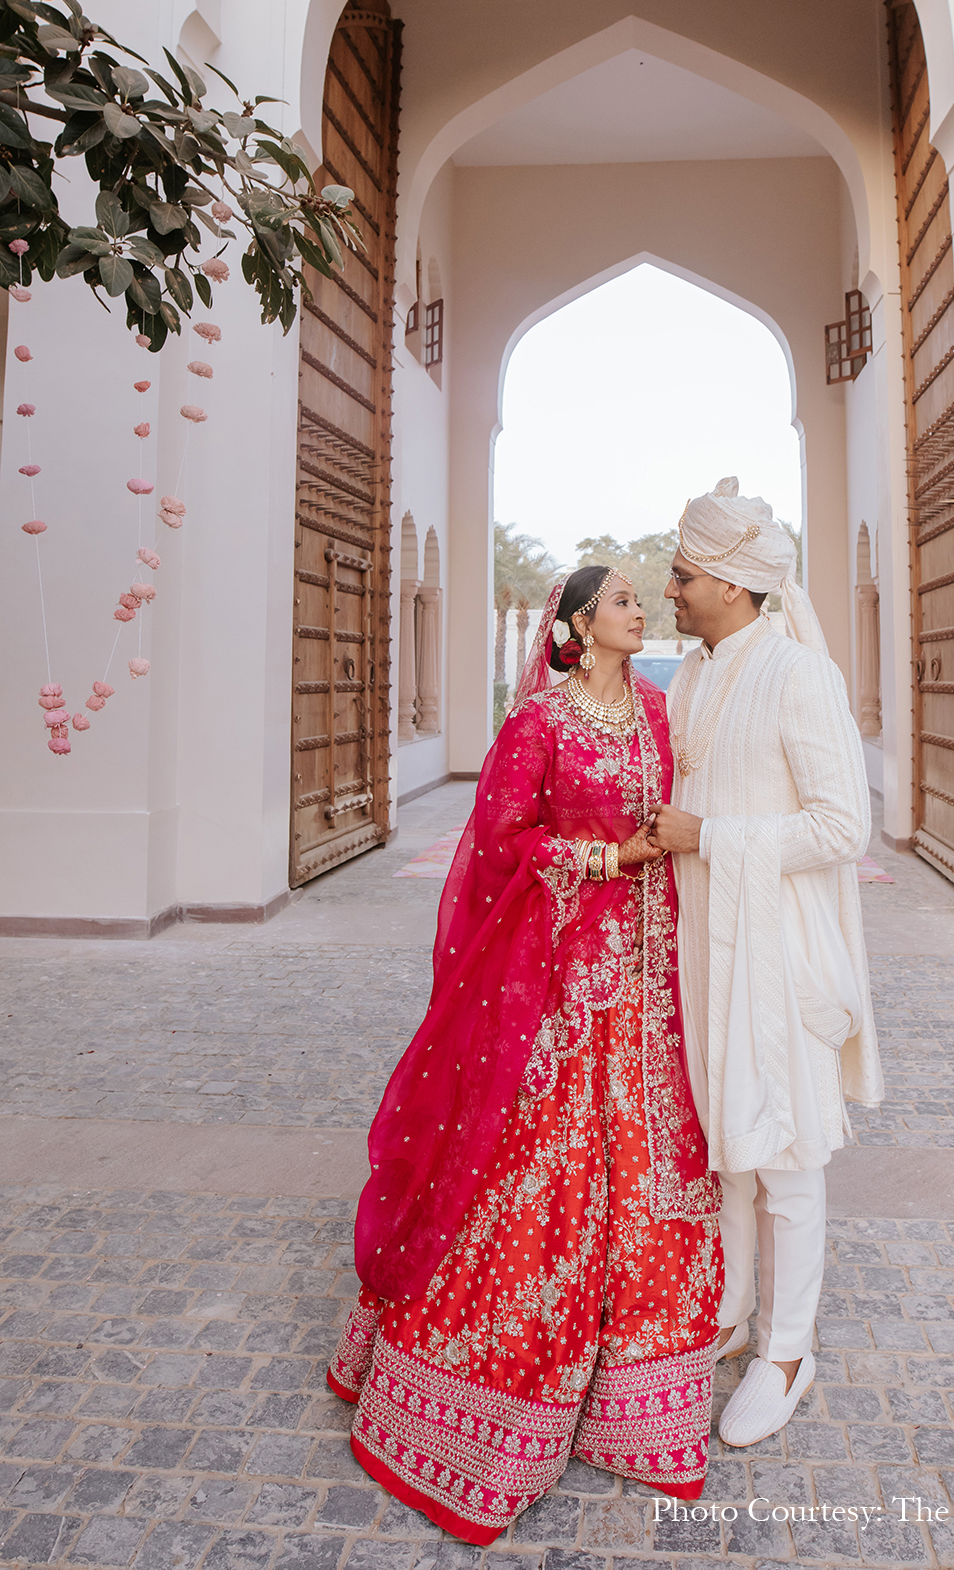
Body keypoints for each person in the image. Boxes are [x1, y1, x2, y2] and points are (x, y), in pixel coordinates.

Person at [328, 567, 723, 1542]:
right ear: (581, 624)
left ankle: (632, 1409)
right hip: (555, 986)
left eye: (643, 597)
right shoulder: (540, 721)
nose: (641, 610)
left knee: (640, 1178)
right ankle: (494, 1406)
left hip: (647, 986)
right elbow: (503, 839)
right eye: (624, 600)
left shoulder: (665, 714)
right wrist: (604, 857)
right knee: (537, 1177)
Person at [650, 478, 884, 1448]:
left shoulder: (797, 675)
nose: (668, 587)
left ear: (735, 585)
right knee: (728, 1146)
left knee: (785, 1150)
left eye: (682, 572)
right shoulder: (697, 672)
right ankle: (730, 1314)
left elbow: (841, 825)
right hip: (707, 940)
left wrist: (710, 835)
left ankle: (787, 1348)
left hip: (778, 945)